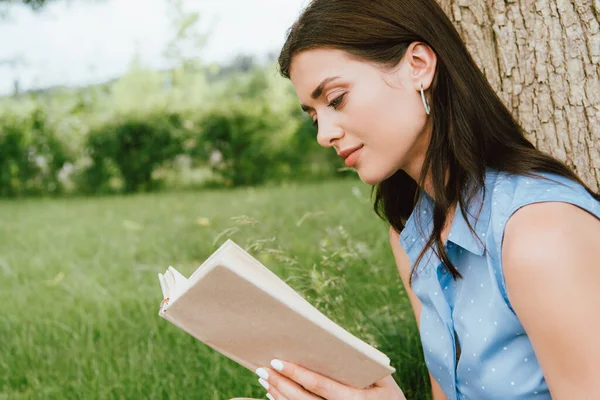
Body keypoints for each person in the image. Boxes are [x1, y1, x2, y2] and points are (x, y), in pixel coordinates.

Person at [233, 0, 600, 399]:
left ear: (419, 65)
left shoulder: (540, 234)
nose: (324, 134)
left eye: (336, 99)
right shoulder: (413, 233)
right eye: (314, 115)